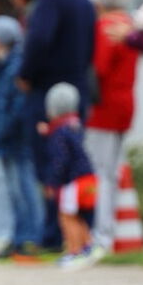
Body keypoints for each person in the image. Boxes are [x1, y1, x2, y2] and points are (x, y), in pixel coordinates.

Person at [18, 0, 96, 249]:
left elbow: (38, 41)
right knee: (72, 163)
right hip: (78, 91)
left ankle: (52, 235)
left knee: (50, 165)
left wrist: (26, 75)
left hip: (48, 95)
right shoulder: (83, 0)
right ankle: (76, 233)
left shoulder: (49, 1)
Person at [0, 15, 43, 255]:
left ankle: (30, 237)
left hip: (15, 139)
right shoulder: (3, 68)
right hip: (6, 139)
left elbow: (15, 107)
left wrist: (2, 131)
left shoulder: (14, 68)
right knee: (14, 189)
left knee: (22, 188)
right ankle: (20, 236)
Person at [85, 0, 139, 257]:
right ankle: (110, 230)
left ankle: (102, 233)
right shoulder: (130, 25)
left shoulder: (105, 26)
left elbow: (99, 68)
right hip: (125, 100)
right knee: (113, 168)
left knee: (101, 170)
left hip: (104, 104)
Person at [39, 82, 98, 269]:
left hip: (72, 182)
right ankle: (88, 246)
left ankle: (75, 251)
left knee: (66, 216)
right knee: (78, 215)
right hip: (87, 177)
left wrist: (52, 182)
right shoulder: (75, 126)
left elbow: (60, 160)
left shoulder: (59, 133)